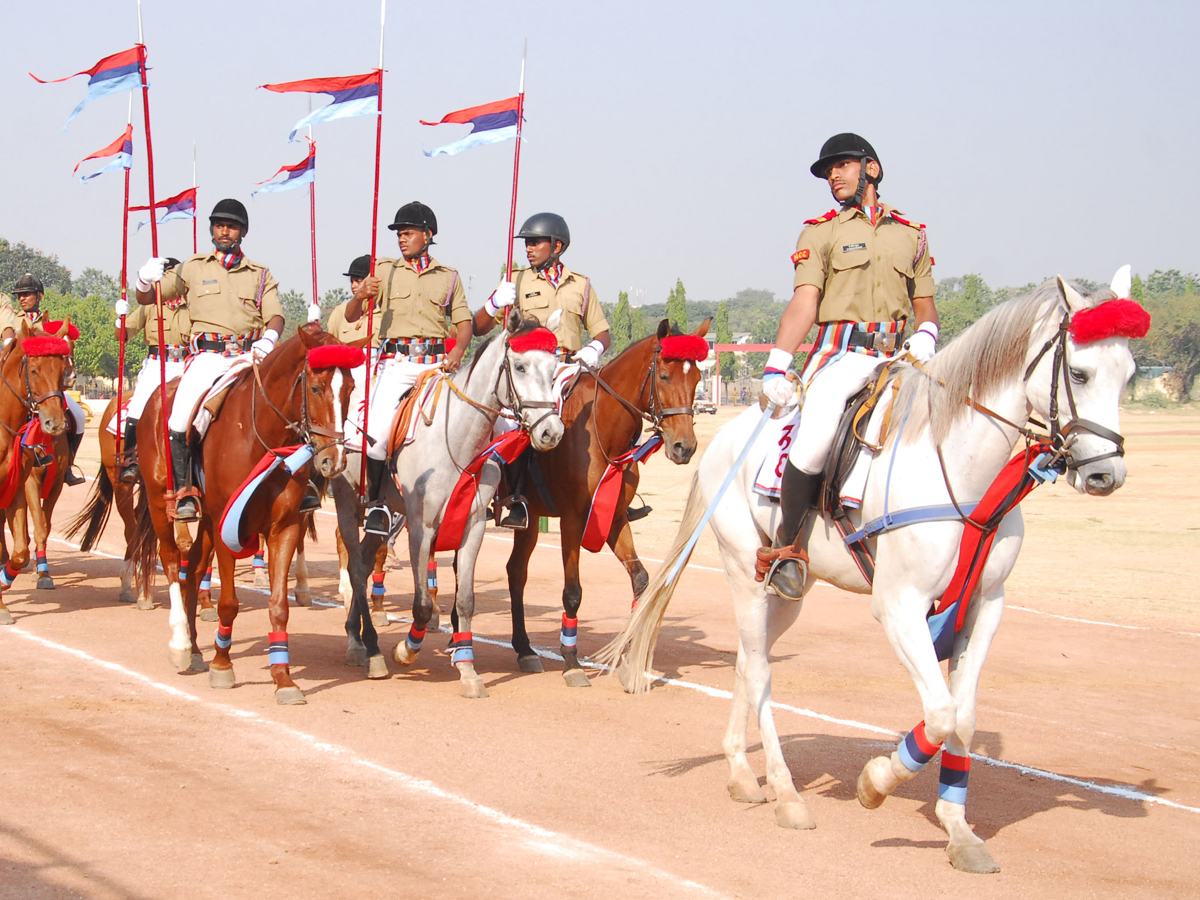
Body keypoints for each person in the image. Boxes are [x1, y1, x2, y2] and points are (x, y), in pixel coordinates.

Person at [757, 133, 939, 601]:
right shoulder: (821, 232)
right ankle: (790, 549)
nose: (833, 176)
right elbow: (804, 301)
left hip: (901, 356)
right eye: (828, 170)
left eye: (842, 165)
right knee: (816, 438)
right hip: (841, 355)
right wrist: (779, 363)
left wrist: (927, 333)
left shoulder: (912, 235)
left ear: (871, 169)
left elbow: (925, 304)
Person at [135, 199, 284, 521]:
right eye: (218, 225)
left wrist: (267, 341)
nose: (224, 231)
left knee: (283, 410)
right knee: (179, 419)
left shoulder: (260, 274)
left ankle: (294, 484)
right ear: (212, 229)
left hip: (249, 356)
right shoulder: (192, 267)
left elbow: (275, 316)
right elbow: (150, 298)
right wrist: (144, 281)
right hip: (207, 357)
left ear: (242, 231)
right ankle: (186, 489)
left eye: (230, 226)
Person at [471, 212, 611, 529]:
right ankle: (517, 498)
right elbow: (479, 328)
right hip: (531, 371)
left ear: (557, 245)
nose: (529, 248)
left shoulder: (582, 285)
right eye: (527, 243)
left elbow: (603, 331)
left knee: (609, 411)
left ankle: (618, 491)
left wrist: (593, 349)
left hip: (570, 367)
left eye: (535, 242)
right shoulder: (517, 281)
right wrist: (494, 302)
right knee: (511, 422)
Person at [343, 202, 471, 535]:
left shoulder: (449, 277)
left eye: (408, 233)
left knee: (468, 427)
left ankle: (478, 498)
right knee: (376, 440)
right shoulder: (385, 271)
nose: (402, 239)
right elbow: (351, 316)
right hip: (396, 365)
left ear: (427, 235)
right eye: (399, 234)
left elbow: (464, 323)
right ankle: (377, 505)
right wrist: (361, 296)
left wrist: (458, 350)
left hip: (436, 366)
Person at [1, 273, 88, 485]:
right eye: (19, 295)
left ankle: (68, 465)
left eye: (27, 294)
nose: (22, 298)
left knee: (78, 417)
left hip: (44, 386)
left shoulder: (50, 323)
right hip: (17, 385)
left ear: (39, 295)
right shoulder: (13, 320)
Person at [113, 258, 189, 483]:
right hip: (158, 363)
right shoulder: (149, 305)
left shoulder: (193, 304)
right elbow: (123, 336)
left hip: (188, 361)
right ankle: (131, 460)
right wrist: (120, 319)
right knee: (138, 406)